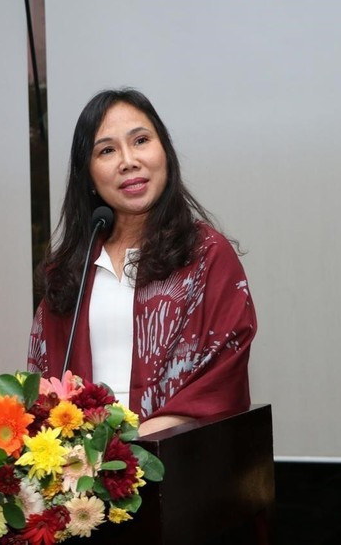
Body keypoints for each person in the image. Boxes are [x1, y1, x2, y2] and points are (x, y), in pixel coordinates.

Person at [27, 88, 256, 436]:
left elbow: (221, 379)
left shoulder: (206, 256)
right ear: (87, 175)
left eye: (140, 141)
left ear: (164, 151)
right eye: (106, 150)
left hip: (175, 460)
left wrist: (135, 449)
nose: (128, 161)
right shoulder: (68, 272)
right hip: (82, 473)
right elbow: (42, 385)